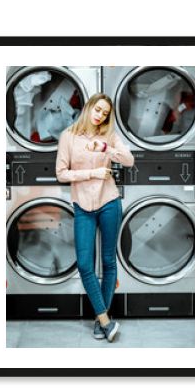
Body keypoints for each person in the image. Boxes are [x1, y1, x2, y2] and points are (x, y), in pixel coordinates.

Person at [56, 93, 134, 342]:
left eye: (105, 113)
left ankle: (102, 322)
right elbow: (61, 173)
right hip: (83, 207)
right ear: (89, 107)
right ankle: (106, 321)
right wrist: (92, 173)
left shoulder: (108, 136)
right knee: (85, 265)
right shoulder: (68, 136)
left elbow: (129, 160)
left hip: (109, 203)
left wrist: (105, 148)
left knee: (109, 262)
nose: (100, 115)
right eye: (97, 109)